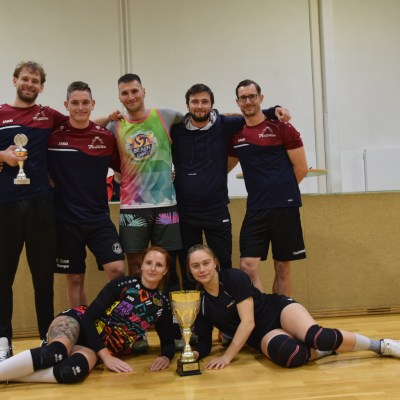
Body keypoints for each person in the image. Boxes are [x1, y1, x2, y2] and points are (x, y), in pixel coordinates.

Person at [187, 244, 400, 370]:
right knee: (290, 356)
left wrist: (227, 357)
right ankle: (328, 350)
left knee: (317, 337)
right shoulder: (201, 302)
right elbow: (204, 341)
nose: (202, 269)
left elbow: (248, 322)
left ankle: (381, 345)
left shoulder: (233, 278)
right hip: (262, 335)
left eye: (206, 263)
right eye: (195, 266)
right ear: (190, 270)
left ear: (215, 263)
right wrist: (194, 354)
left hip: (277, 311)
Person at [171, 83, 291, 289]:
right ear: (187, 105)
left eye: (205, 102)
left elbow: (252, 114)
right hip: (184, 210)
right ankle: (196, 309)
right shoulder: (176, 130)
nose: (200, 106)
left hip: (216, 209)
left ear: (212, 105)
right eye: (195, 102)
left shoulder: (225, 124)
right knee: (189, 266)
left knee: (223, 264)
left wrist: (274, 110)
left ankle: (224, 306)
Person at [0, 246, 175, 383]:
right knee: (56, 352)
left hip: (95, 346)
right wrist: (106, 357)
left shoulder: (162, 305)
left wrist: (166, 356)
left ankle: (10, 376)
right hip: (79, 323)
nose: (153, 268)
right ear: (141, 265)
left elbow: (168, 341)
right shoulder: (121, 284)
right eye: (149, 263)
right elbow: (88, 318)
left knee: (70, 372)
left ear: (166, 270)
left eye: (159, 265)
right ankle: (48, 347)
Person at [0, 61, 68, 360]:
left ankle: (46, 339)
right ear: (15, 80)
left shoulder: (48, 115)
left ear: (41, 86)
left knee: (43, 277)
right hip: (5, 204)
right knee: (3, 277)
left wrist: (111, 118)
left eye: (35, 81)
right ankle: (3, 341)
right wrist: (2, 156)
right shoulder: (0, 113)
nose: (29, 84)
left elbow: (80, 121)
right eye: (25, 79)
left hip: (41, 203)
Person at [47, 81, 126, 307]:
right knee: (74, 278)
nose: (80, 107)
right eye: (75, 103)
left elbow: (122, 170)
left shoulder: (105, 137)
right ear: (66, 105)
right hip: (65, 220)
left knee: (117, 269)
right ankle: (80, 324)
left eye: (85, 102)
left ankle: (115, 322)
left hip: (98, 218)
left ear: (93, 104)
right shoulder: (53, 137)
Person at [229, 79, 309, 296]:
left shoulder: (282, 127)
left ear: (261, 98)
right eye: (243, 98)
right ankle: (263, 312)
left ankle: (282, 313)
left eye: (252, 96)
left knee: (282, 267)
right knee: (248, 266)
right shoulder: (236, 134)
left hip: (285, 207)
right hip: (256, 208)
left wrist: (281, 191)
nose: (248, 101)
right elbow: (223, 167)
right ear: (237, 102)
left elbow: (301, 168)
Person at [107, 74, 182, 293]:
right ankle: (139, 310)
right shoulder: (114, 125)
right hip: (132, 206)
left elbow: (201, 117)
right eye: (125, 93)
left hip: (166, 204)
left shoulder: (166, 116)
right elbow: (85, 126)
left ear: (143, 92)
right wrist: (107, 117)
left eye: (134, 91)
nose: (131, 97)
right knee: (135, 266)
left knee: (168, 265)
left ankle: (167, 311)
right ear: (119, 97)